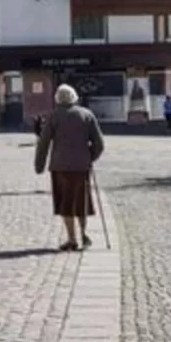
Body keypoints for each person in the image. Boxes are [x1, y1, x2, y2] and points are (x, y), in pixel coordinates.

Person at [35, 84, 105, 252]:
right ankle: (83, 235)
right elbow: (99, 143)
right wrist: (90, 157)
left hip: (60, 166)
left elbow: (43, 143)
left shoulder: (53, 116)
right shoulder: (86, 114)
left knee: (66, 203)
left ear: (57, 99)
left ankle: (71, 239)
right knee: (81, 201)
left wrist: (39, 165)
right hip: (81, 166)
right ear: (75, 98)